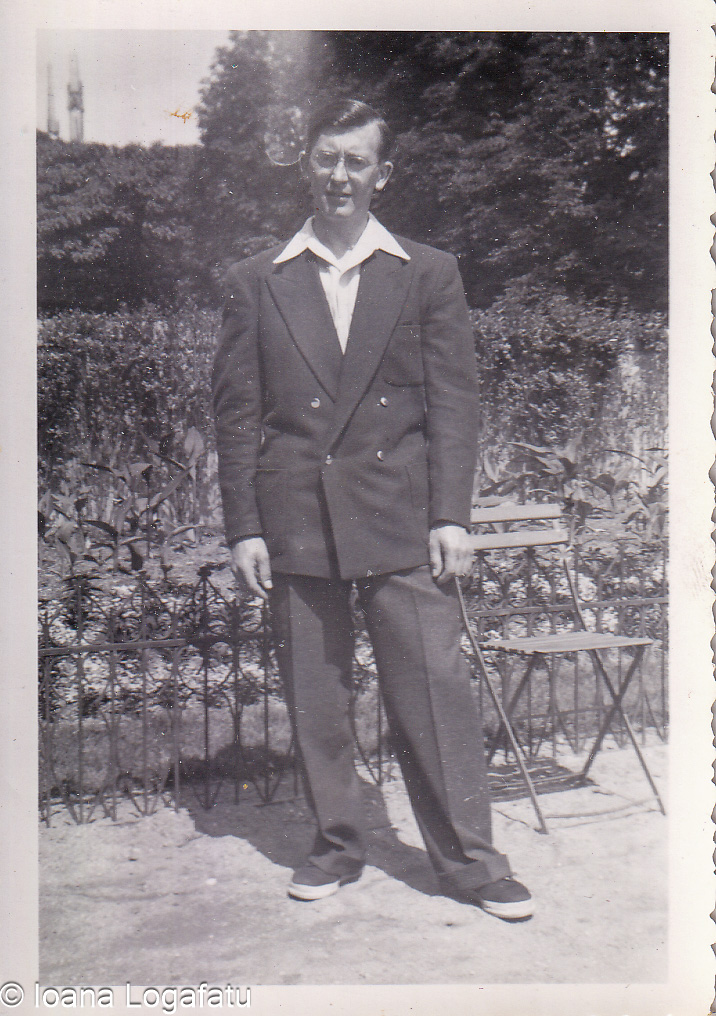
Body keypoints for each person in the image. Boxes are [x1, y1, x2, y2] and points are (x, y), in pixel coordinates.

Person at [212, 98, 533, 921]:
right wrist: (245, 525)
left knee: (434, 688)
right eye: (327, 158)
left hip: (401, 513)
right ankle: (337, 846)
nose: (340, 175)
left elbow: (454, 403)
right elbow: (238, 414)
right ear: (305, 165)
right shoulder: (258, 279)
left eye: (357, 161)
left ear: (383, 173)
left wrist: (451, 515)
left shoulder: (428, 271)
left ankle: (470, 862)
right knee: (317, 697)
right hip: (297, 517)